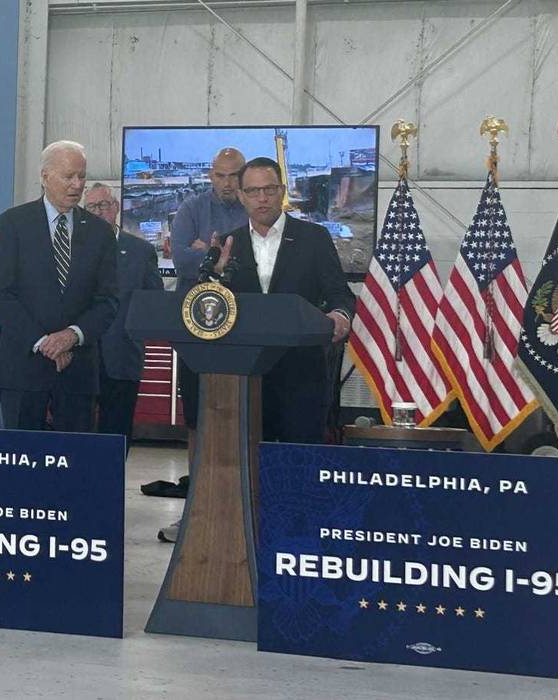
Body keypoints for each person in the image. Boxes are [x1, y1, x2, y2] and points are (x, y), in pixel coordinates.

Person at [213, 156, 354, 443]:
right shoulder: (228, 244)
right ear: (241, 196)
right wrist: (215, 277)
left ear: (282, 191)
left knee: (300, 459)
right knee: (250, 458)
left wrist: (340, 316)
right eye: (253, 191)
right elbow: (211, 306)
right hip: (244, 376)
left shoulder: (314, 237)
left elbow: (340, 294)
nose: (262, 198)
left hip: (301, 373)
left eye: (269, 189)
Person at [0, 141, 118, 432]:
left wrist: (72, 336)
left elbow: (108, 301)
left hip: (78, 370)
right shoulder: (14, 223)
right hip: (23, 366)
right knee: (22, 456)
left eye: (81, 176)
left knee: (75, 456)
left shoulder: (99, 232)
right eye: (68, 176)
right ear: (45, 176)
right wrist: (44, 343)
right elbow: (1, 293)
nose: (77, 185)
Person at [158, 147, 248, 543]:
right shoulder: (191, 208)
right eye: (221, 175)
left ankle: (242, 512)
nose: (228, 183)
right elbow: (180, 261)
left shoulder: (256, 209)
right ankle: (196, 509)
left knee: (244, 415)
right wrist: (215, 260)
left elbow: (255, 267)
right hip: (196, 329)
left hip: (247, 330)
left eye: (235, 175)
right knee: (197, 417)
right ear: (211, 176)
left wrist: (207, 254)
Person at [83, 183, 162, 446]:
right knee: (77, 431)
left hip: (123, 354)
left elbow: (152, 302)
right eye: (91, 207)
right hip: (80, 355)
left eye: (103, 205)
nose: (98, 212)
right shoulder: (70, 249)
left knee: (117, 432)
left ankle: (112, 473)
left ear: (116, 207)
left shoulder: (141, 251)